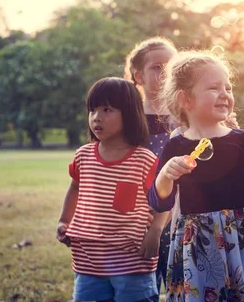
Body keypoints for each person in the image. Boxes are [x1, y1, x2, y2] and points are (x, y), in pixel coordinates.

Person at [125, 37, 244, 296]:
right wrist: (165, 174)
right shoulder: (176, 145)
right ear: (185, 99)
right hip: (198, 243)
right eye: (214, 88)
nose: (225, 94)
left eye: (228, 88)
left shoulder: (240, 140)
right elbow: (158, 200)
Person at [56, 77, 168, 302]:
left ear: (129, 114)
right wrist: (64, 220)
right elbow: (75, 190)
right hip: (88, 259)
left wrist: (155, 231)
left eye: (107, 109)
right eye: (92, 110)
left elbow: (164, 198)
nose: (97, 117)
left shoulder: (144, 160)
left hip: (131, 260)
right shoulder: (83, 156)